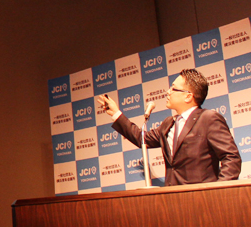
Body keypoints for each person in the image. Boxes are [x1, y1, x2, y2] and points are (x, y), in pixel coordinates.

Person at [97, 68, 240, 186]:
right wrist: (116, 113)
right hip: (172, 200)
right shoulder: (168, 123)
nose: (168, 91)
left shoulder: (208, 119)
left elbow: (231, 157)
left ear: (188, 96)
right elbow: (141, 138)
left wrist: (219, 191)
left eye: (173, 88)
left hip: (202, 200)